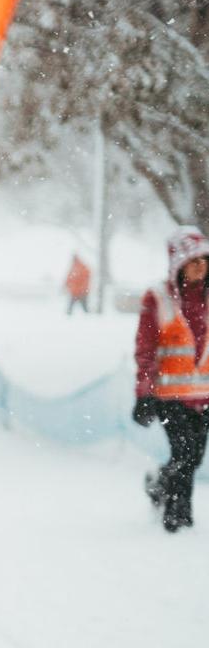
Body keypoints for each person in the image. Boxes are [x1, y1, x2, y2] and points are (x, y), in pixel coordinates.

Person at [133, 226, 209, 533]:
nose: (201, 266)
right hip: (169, 398)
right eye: (193, 261)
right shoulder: (159, 298)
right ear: (178, 263)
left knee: (194, 458)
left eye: (204, 260)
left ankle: (159, 484)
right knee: (185, 453)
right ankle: (177, 519)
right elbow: (146, 350)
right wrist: (144, 393)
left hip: (204, 397)